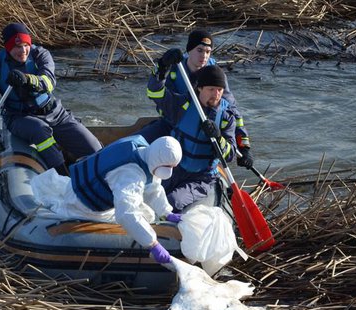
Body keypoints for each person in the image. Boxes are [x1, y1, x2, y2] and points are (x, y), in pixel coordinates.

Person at [0, 23, 102, 175]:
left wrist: (28, 79)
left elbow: (49, 82)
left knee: (94, 149)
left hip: (53, 112)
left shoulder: (41, 54)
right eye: (17, 47)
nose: (22, 51)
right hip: (19, 117)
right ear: (8, 48)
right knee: (40, 130)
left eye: (26, 45)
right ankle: (63, 175)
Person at [31, 135, 183, 264]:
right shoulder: (130, 174)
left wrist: (166, 212)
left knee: (149, 214)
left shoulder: (142, 149)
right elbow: (126, 214)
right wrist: (153, 244)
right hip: (85, 206)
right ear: (157, 160)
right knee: (146, 217)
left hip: (77, 186)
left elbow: (153, 186)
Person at [138, 29, 254, 170]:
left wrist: (244, 146)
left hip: (201, 130)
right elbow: (155, 94)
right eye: (199, 50)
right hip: (170, 123)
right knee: (136, 144)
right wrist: (162, 66)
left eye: (208, 51)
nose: (204, 56)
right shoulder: (175, 68)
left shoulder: (215, 75)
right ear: (189, 51)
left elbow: (232, 112)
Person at [147, 62, 237, 212]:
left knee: (171, 202)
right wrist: (161, 69)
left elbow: (230, 155)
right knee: (148, 195)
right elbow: (155, 93)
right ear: (200, 88)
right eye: (211, 89)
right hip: (174, 168)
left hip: (202, 177)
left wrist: (218, 137)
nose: (216, 95)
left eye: (220, 90)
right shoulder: (184, 105)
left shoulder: (227, 118)